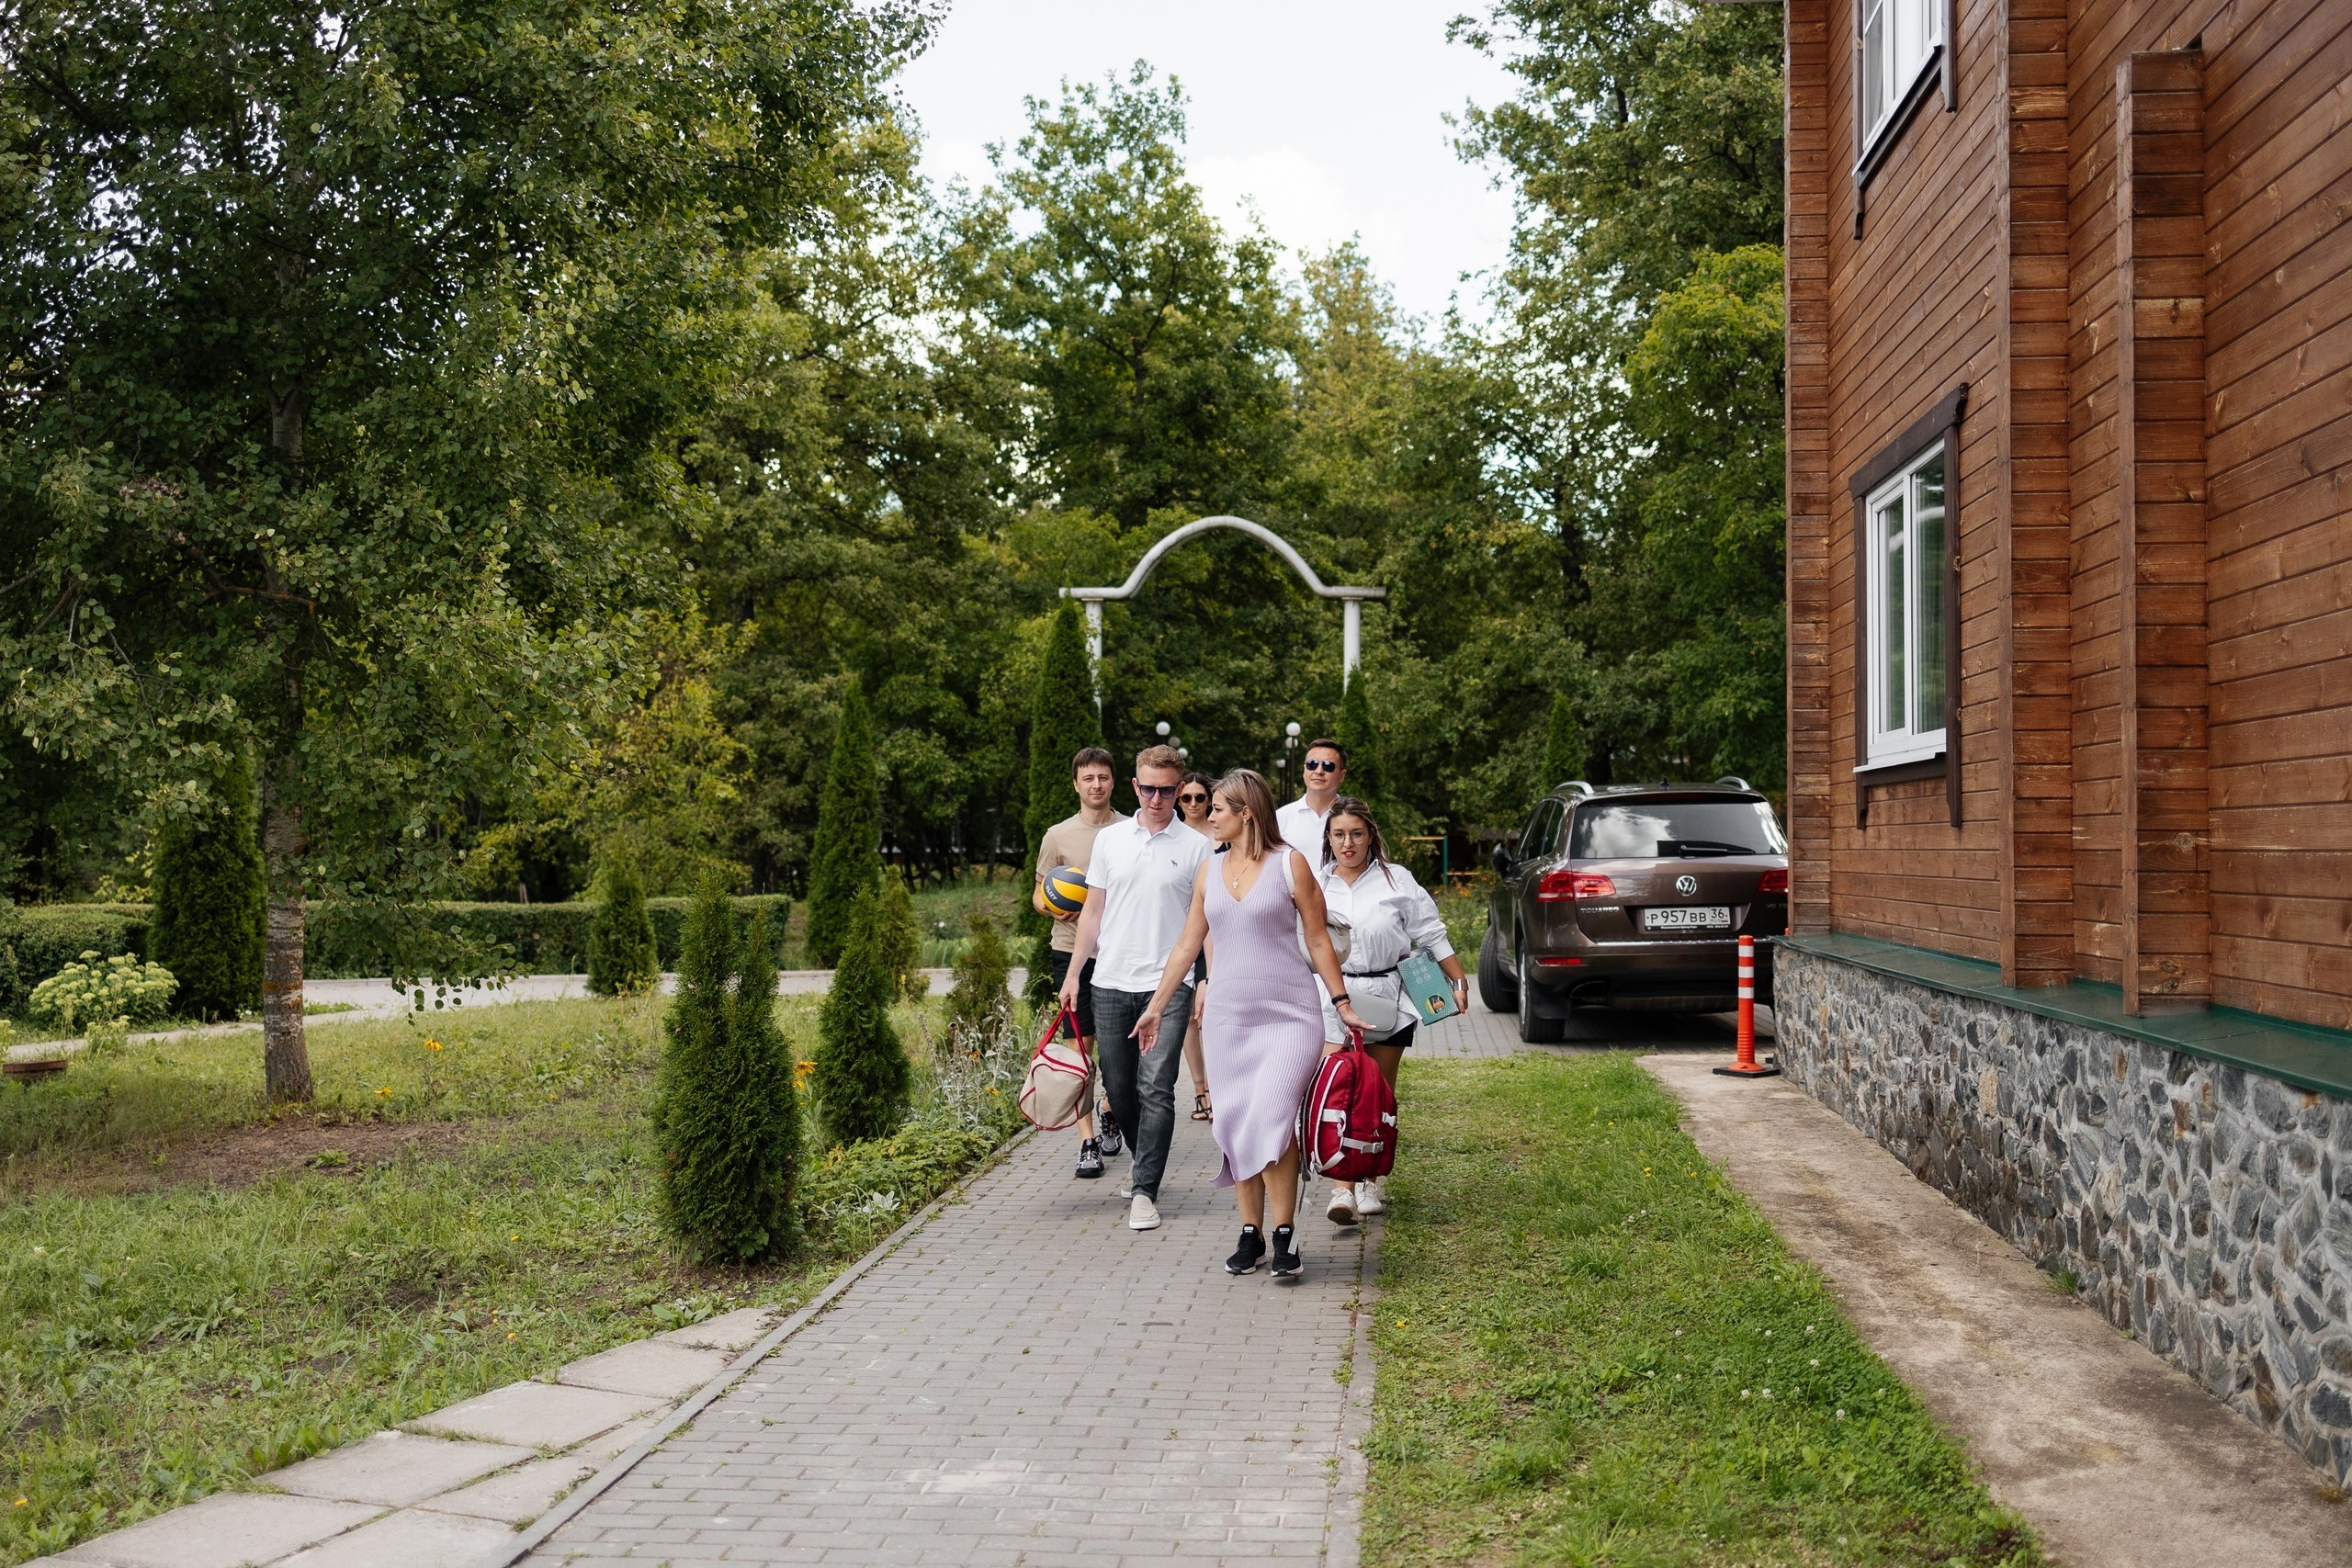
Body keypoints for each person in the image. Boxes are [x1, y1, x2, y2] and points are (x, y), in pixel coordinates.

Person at [1134, 769, 1368, 1281]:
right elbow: (1187, 944)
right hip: (1228, 1020)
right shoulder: (1209, 869)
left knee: (1274, 1115)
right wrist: (1157, 1005)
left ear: (1245, 813)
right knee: (1236, 1120)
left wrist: (1342, 1002)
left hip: (1289, 1016)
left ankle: (1284, 1234)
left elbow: (1319, 939)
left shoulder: (1290, 864)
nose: (1208, 816)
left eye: (1217, 808)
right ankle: (1250, 1233)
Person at [1060, 744, 1213, 1231]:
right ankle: (1142, 1158)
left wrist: (1205, 979)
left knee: (1157, 1087)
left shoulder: (1198, 847)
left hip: (1168, 985)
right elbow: (1093, 911)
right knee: (1120, 1089)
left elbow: (1206, 924)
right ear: (1135, 786)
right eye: (1148, 789)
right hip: (1109, 981)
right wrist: (1074, 973)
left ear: (1179, 788)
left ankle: (1145, 1190)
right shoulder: (1110, 841)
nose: (1156, 799)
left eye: (1167, 791)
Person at [1313, 797, 1469, 1225]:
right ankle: (1341, 1188)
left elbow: (1431, 933)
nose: (1348, 843)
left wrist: (1457, 980)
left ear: (1371, 836)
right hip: (1332, 996)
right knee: (1337, 1091)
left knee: (1377, 1094)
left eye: (1356, 834)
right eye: (1339, 834)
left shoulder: (1396, 879)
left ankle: (1368, 1181)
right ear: (1328, 839)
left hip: (1387, 997)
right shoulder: (1316, 882)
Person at [1032, 747, 1125, 1180]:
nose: (1096, 785)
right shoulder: (1057, 836)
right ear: (1076, 784)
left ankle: (1110, 1107)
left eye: (1103, 777)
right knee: (1080, 1048)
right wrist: (1057, 907)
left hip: (1122, 953)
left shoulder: (1129, 830)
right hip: (1072, 953)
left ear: (1113, 782)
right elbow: (1039, 894)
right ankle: (1087, 1141)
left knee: (1120, 1050)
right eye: (1088, 778)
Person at [1176, 772, 1216, 1124]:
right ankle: (1201, 1090)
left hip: (1217, 931)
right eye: (1186, 798)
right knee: (1189, 1016)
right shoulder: (1173, 836)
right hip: (1183, 931)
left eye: (1199, 797)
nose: (1192, 804)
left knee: (1211, 1011)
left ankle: (1219, 1090)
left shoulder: (1220, 833)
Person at [1274, 738, 1346, 865]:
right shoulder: (1280, 818)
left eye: (1328, 766)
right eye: (1312, 764)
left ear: (1342, 775)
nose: (1319, 771)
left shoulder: (1354, 819)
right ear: (1304, 770)